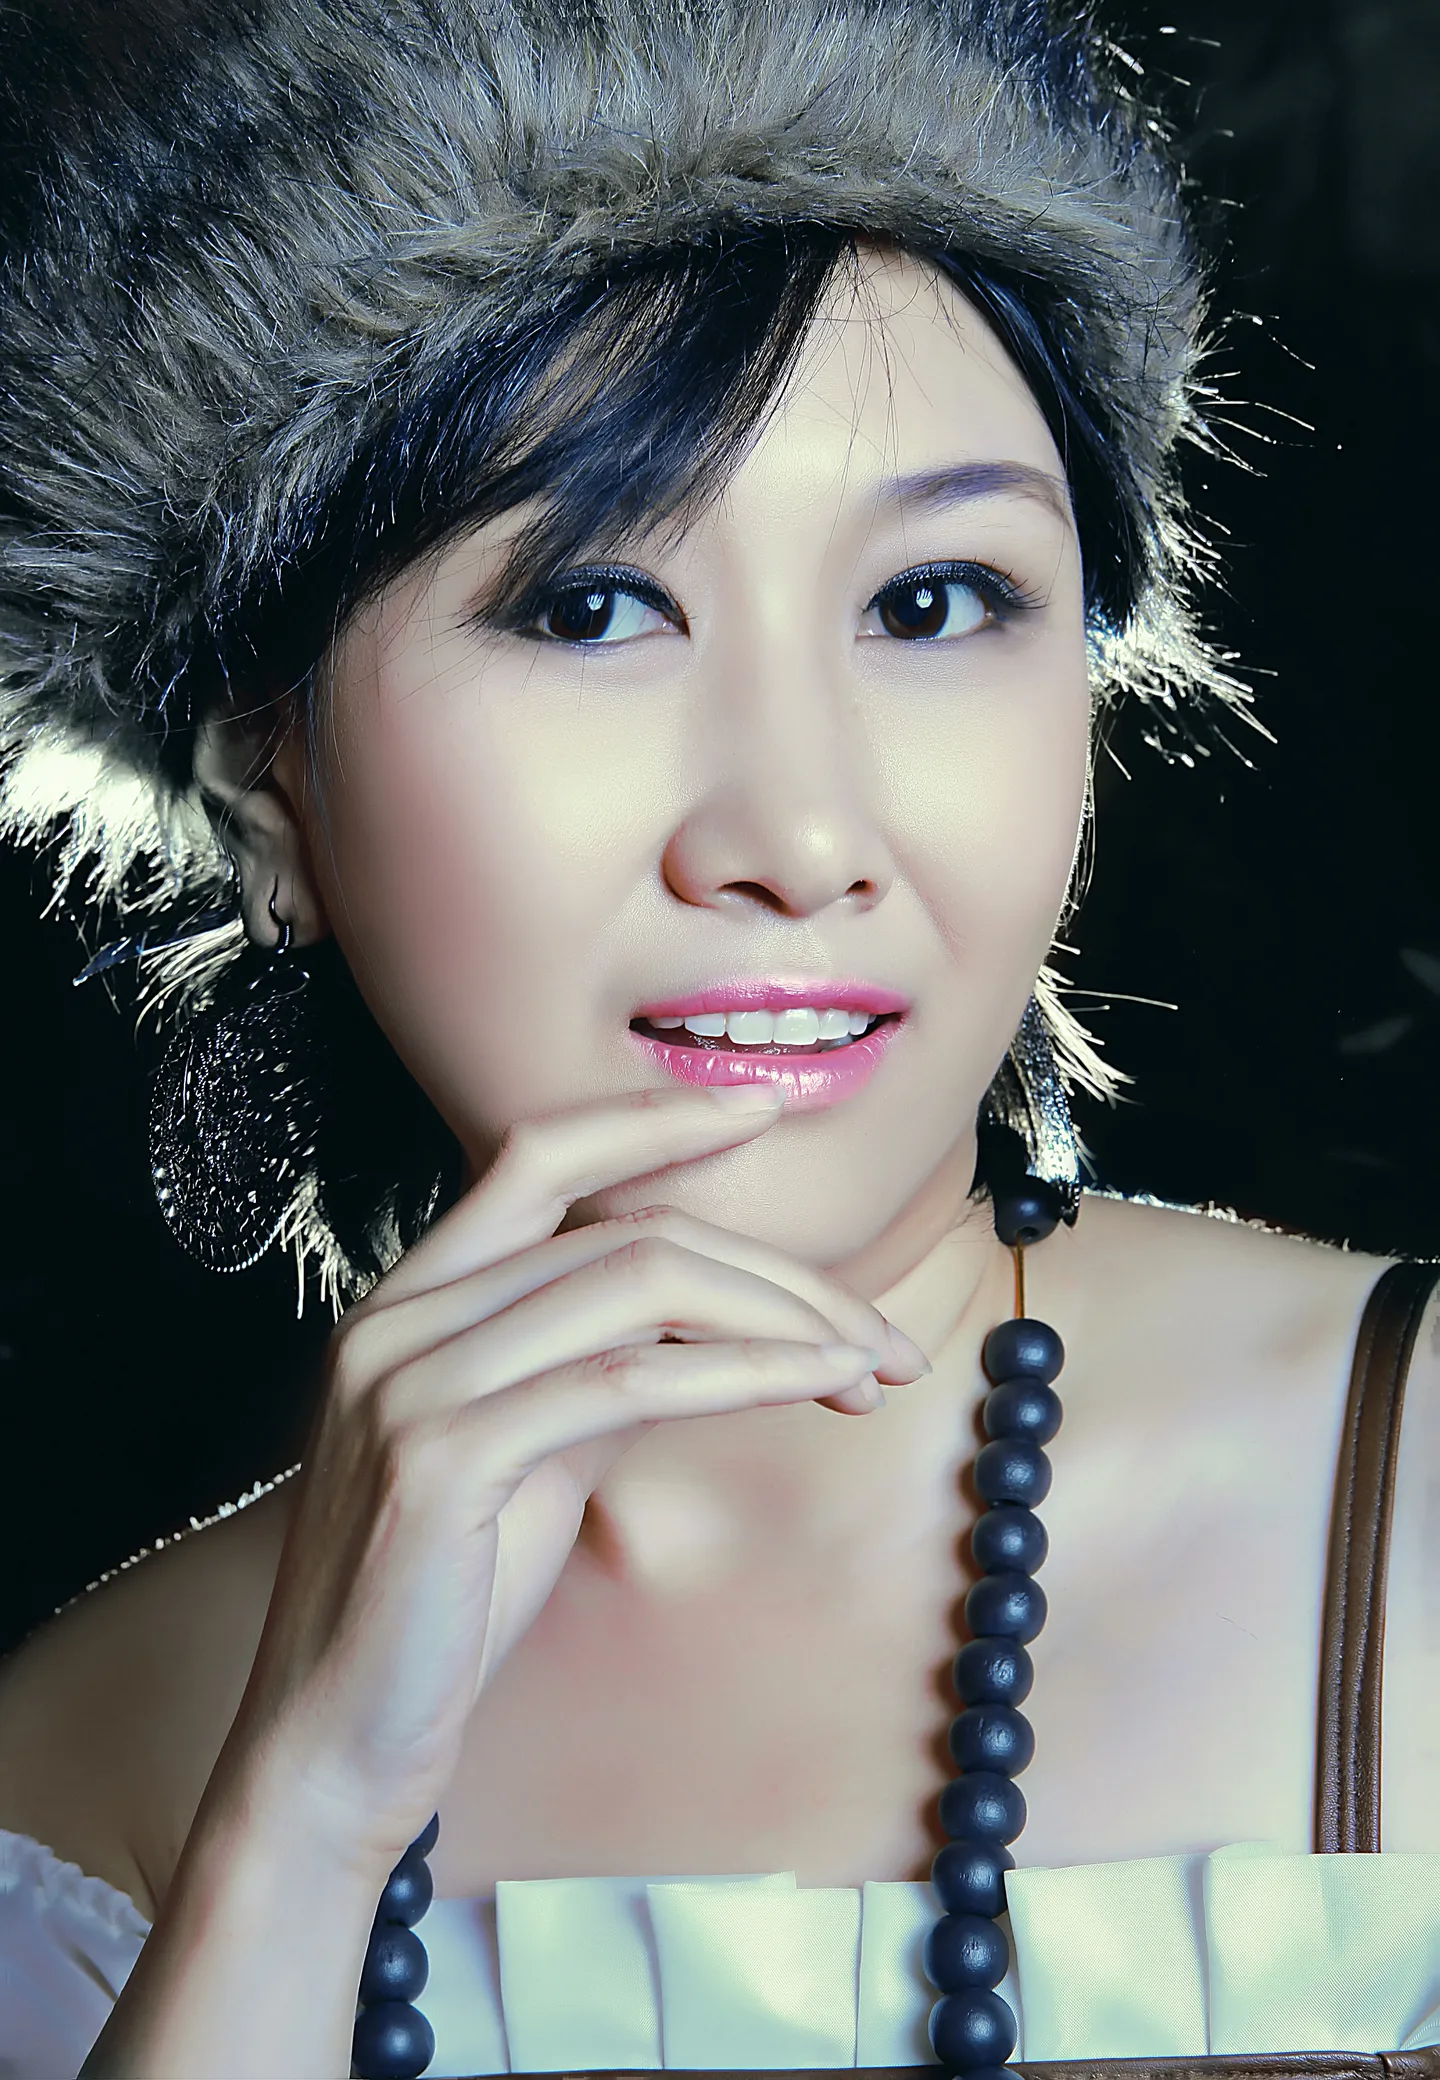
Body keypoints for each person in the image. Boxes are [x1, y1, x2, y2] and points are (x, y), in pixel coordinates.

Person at [0, 1, 1436, 2076]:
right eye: (591, 605)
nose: (800, 836)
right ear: (266, 787)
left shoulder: (1413, 1498)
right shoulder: (82, 1784)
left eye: (933, 602)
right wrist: (301, 1829)